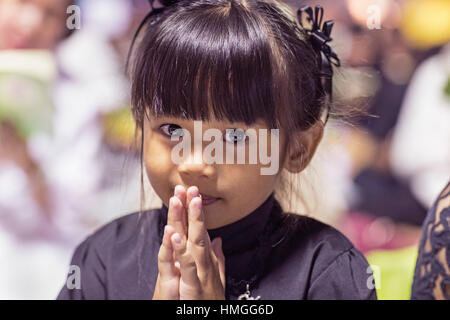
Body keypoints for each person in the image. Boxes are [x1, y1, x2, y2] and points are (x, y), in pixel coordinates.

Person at [57, 0, 376, 300]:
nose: (195, 162)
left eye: (234, 137)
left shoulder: (327, 272)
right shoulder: (102, 260)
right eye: (172, 130)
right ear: (141, 128)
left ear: (298, 149)